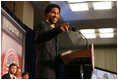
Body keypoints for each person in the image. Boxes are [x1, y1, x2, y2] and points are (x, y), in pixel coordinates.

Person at [35, 4, 69, 79]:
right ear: (47, 14)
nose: (55, 15)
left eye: (57, 13)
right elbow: (41, 37)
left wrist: (63, 57)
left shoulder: (55, 30)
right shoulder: (42, 25)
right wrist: (58, 29)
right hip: (44, 69)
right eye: (53, 12)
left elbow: (53, 51)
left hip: (53, 68)